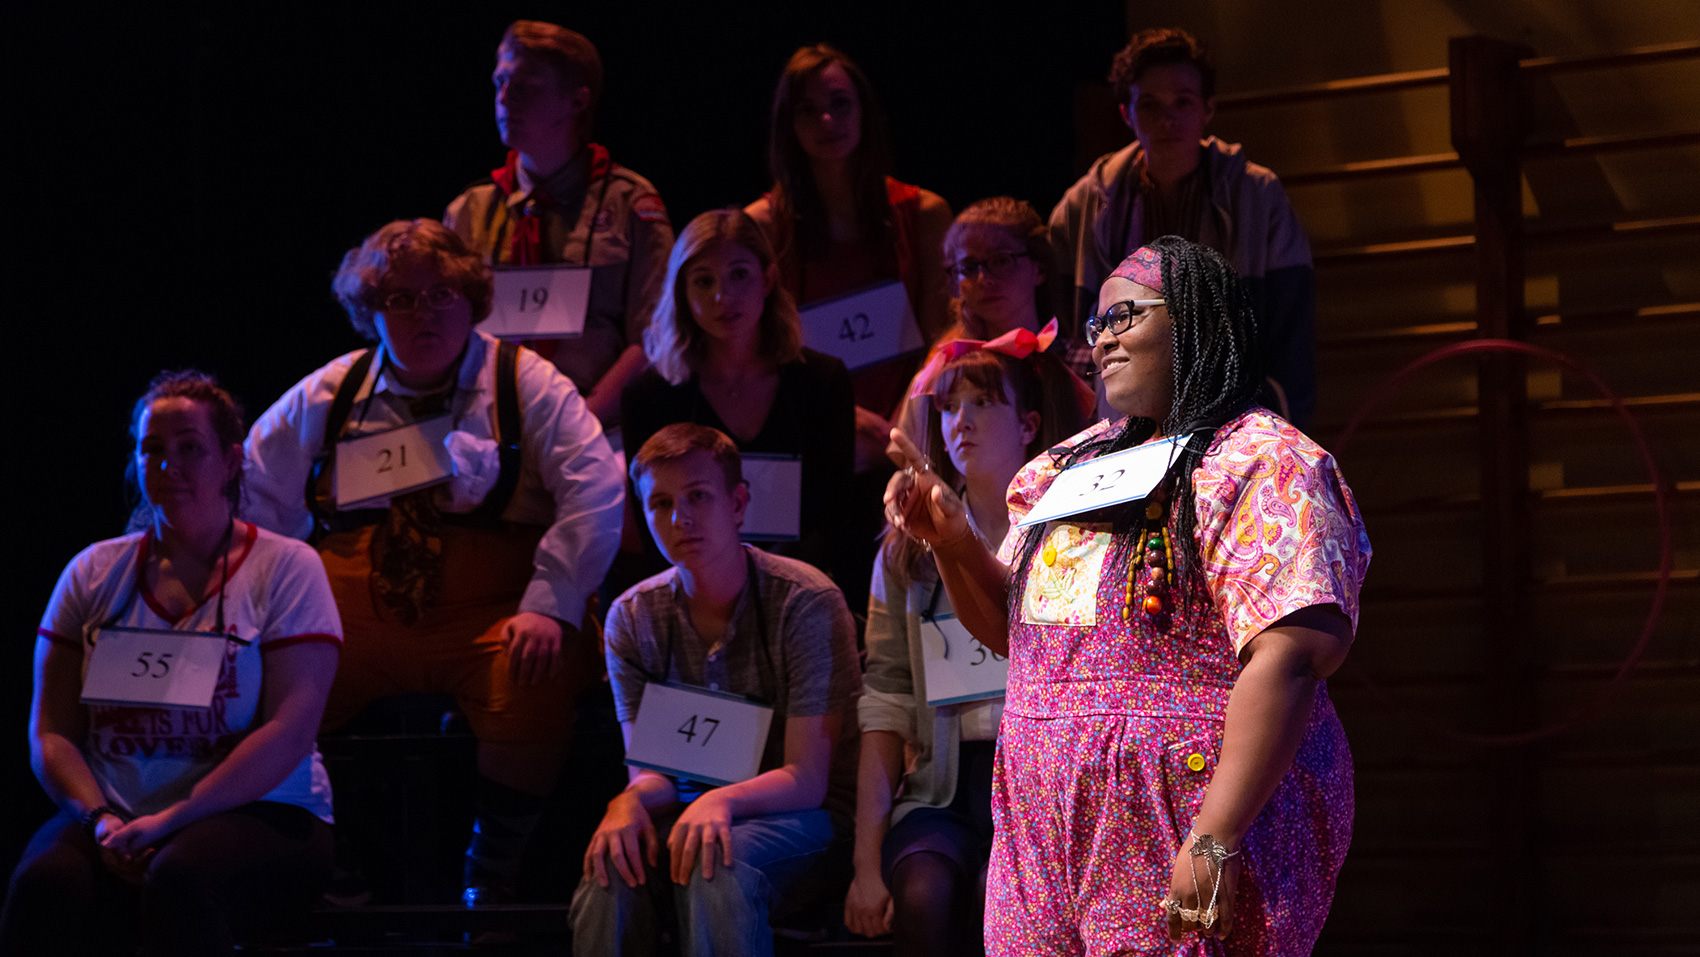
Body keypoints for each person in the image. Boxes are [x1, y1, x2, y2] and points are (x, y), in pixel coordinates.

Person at [885, 236, 1371, 955]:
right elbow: (1021, 637)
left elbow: (1292, 653)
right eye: (1097, 324)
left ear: (1196, 323)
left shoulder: (1261, 461)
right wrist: (954, 541)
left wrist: (1214, 837)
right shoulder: (1067, 471)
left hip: (1182, 811)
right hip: (1043, 825)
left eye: (1127, 317)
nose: (1102, 340)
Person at [244, 219, 625, 905]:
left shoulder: (525, 382)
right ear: (371, 310)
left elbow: (595, 487)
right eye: (402, 298)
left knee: (534, 677)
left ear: (472, 298)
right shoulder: (332, 391)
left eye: (442, 294)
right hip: (356, 610)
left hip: (495, 610)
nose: (425, 312)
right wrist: (262, 606)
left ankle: (495, 869)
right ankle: (332, 853)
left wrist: (551, 601)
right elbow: (254, 489)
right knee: (267, 677)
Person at [2, 371, 342, 956]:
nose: (169, 464)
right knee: (45, 883)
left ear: (231, 461)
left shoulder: (286, 567)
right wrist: (101, 820)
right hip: (116, 812)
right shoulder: (91, 571)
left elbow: (289, 732)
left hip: (260, 810)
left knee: (180, 877)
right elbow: (52, 732)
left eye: (190, 447)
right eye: (152, 449)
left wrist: (174, 819)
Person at [573, 424, 860, 957]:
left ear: (738, 503)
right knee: (612, 867)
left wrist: (722, 802)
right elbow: (653, 772)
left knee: (717, 867)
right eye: (660, 503)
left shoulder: (805, 601)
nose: (679, 518)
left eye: (697, 496)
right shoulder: (631, 619)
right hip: (690, 807)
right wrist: (628, 801)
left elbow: (808, 780)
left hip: (805, 817)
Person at [847, 345, 1088, 956]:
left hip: (1040, 783)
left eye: (983, 402)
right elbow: (885, 702)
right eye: (950, 405)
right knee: (924, 895)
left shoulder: (1063, 533)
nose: (962, 420)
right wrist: (865, 866)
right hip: (943, 785)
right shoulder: (904, 549)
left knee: (998, 896)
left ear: (1029, 425)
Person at [1049, 28, 1317, 426]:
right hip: (1118, 417)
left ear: (1208, 109)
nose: (1168, 118)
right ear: (1127, 113)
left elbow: (1291, 331)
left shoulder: (1256, 196)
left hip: (1233, 411)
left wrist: (1274, 420)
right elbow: (1066, 334)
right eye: (1151, 104)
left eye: (1183, 102)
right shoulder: (1083, 206)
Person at [445, 20, 675, 429]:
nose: (504, 100)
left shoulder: (629, 203)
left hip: (596, 426)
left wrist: (580, 421)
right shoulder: (469, 210)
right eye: (499, 83)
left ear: (577, 101)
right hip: (489, 428)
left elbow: (654, 336)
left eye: (525, 87)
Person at [621, 209, 855, 586]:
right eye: (703, 281)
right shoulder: (649, 397)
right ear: (681, 291)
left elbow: (836, 518)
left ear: (767, 279)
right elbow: (655, 528)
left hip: (801, 586)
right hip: (693, 590)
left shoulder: (822, 382)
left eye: (739, 275)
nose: (722, 296)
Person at [745, 42, 953, 460]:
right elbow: (758, 347)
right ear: (788, 123)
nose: (826, 120)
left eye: (840, 103)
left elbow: (943, 338)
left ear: (864, 112)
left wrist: (907, 415)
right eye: (807, 110)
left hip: (915, 429)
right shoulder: (762, 225)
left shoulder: (925, 213)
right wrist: (842, 411)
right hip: (806, 434)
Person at [938, 197, 1093, 382]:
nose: (984, 279)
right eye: (969, 267)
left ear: (1039, 269)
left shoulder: (1086, 367)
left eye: (1001, 260)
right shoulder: (948, 375)